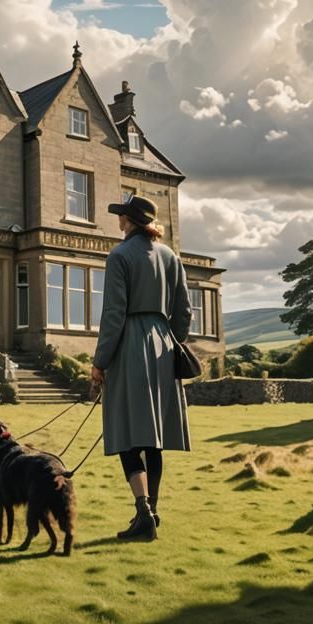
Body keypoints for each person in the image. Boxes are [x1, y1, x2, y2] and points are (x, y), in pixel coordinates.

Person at [90, 194, 192, 542]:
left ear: (129, 221)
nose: (118, 220)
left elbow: (113, 314)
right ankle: (152, 513)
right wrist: (170, 339)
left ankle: (143, 512)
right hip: (163, 346)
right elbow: (184, 312)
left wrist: (100, 362)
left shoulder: (119, 255)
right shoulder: (170, 256)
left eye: (121, 215)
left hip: (130, 345)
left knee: (128, 431)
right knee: (154, 437)